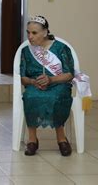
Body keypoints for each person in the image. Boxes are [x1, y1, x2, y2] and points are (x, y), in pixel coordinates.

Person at [20, 15, 74, 156]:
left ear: (45, 32)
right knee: (30, 96)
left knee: (56, 97)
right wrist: (33, 82)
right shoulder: (26, 51)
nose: (30, 36)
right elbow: (23, 78)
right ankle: (32, 140)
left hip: (58, 83)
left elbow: (69, 74)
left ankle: (61, 138)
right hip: (35, 85)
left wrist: (51, 80)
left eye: (34, 33)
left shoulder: (61, 48)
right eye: (28, 32)